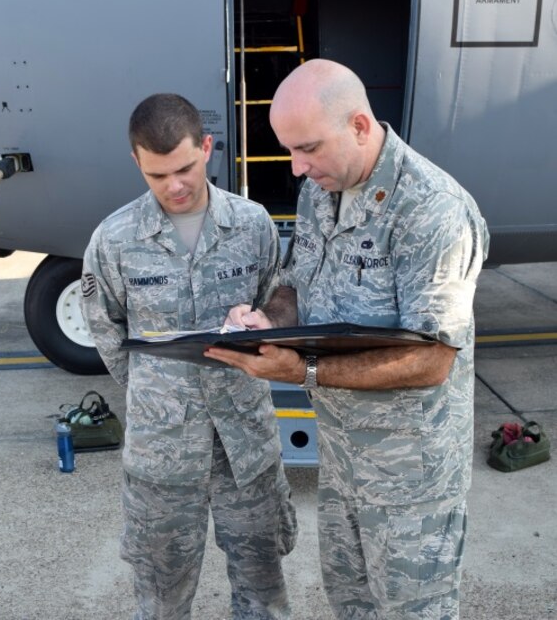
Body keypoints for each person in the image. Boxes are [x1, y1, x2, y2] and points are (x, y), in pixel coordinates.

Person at [206, 60, 489, 619]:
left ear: (359, 125)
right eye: (289, 149)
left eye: (307, 148)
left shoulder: (432, 212)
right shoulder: (322, 190)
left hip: (411, 478)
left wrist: (302, 373)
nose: (296, 166)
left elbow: (432, 360)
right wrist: (269, 320)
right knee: (352, 608)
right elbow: (295, 281)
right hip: (341, 463)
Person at [81, 93, 297, 620]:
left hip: (245, 446)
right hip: (163, 455)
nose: (174, 186)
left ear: (206, 147)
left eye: (185, 168)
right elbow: (107, 331)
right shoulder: (114, 239)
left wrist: (267, 322)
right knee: (160, 598)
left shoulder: (252, 225)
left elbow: (280, 298)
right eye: (157, 176)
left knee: (263, 592)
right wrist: (159, 396)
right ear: (137, 162)